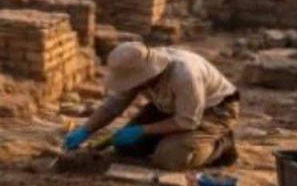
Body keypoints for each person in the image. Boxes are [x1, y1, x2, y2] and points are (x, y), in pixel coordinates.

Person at [64, 42, 239, 171]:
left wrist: (143, 130)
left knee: (170, 158)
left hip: (215, 110)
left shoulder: (185, 76)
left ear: (147, 74)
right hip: (170, 107)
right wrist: (86, 130)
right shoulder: (136, 66)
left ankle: (221, 144)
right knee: (125, 147)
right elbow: (113, 106)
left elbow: (187, 122)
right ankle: (166, 140)